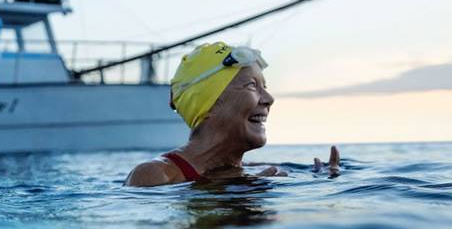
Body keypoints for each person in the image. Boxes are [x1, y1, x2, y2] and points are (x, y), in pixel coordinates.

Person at [125, 42, 340, 187]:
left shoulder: (253, 170)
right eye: (251, 86)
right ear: (207, 104)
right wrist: (239, 190)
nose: (269, 98)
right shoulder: (155, 175)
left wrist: (324, 178)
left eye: (264, 86)